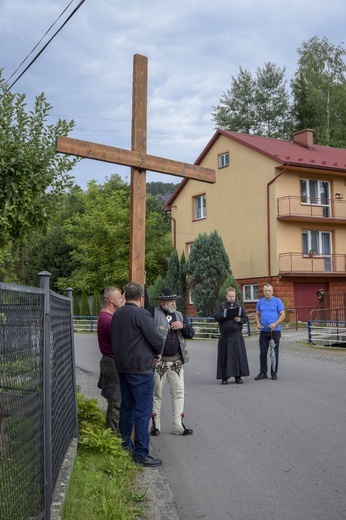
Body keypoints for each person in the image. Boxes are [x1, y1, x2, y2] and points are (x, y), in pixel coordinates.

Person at [111, 282, 164, 467]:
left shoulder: (117, 314)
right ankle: (141, 453)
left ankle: (126, 446)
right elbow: (156, 339)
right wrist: (157, 352)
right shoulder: (141, 314)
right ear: (141, 297)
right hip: (140, 368)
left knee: (127, 407)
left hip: (122, 366)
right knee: (142, 411)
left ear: (125, 296)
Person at [145, 287, 195, 436]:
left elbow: (191, 333)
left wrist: (183, 326)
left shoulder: (179, 315)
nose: (173, 303)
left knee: (179, 392)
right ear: (162, 302)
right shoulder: (154, 313)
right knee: (156, 393)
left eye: (174, 300)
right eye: (170, 300)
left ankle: (177, 425)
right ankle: (156, 425)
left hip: (176, 361)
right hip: (159, 361)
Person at [97, 286, 124, 433]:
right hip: (112, 362)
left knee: (116, 399)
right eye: (120, 297)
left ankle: (114, 433)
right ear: (111, 300)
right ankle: (112, 435)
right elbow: (119, 341)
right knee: (115, 400)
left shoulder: (107, 317)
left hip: (110, 361)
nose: (122, 299)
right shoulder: (107, 320)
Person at [214, 287, 250, 385]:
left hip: (237, 336)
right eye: (230, 296)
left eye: (233, 296)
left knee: (238, 356)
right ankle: (224, 377)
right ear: (226, 296)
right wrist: (225, 315)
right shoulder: (222, 306)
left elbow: (245, 318)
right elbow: (217, 317)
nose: (231, 298)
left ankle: (238, 376)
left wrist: (240, 320)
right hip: (225, 336)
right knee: (225, 357)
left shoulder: (239, 306)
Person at [255, 283, 285, 381]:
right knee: (262, 353)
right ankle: (263, 372)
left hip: (274, 331)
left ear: (272, 291)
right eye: (265, 291)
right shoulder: (260, 302)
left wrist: (275, 324)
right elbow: (257, 314)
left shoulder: (277, 301)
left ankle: (274, 372)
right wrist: (258, 323)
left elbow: (283, 315)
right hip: (263, 331)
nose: (267, 292)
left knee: (274, 352)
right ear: (263, 292)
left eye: (269, 290)